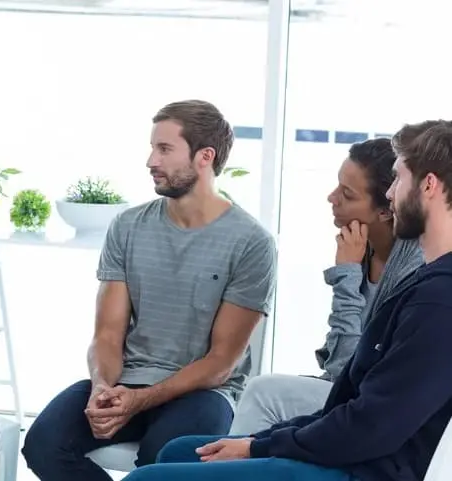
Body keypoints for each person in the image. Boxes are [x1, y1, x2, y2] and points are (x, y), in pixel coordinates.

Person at [119, 120, 452, 481]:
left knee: (146, 479)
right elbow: (348, 399)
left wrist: (257, 447)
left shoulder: (438, 301)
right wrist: (260, 440)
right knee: (178, 452)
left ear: (429, 185)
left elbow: (371, 426)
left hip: (366, 471)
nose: (391, 193)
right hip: (352, 451)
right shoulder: (424, 285)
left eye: (399, 179)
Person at [22, 99, 278, 480]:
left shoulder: (251, 242)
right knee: (43, 442)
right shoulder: (127, 227)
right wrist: (103, 388)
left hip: (203, 394)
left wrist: (141, 400)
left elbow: (221, 362)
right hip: (127, 380)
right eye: (152, 148)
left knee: (164, 458)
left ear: (204, 157)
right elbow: (107, 335)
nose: (150, 161)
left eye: (164, 149)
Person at [230, 138, 422, 435]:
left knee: (262, 392)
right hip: (343, 393)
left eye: (347, 194)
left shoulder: (412, 267)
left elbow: (346, 369)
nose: (331, 198)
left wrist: (345, 276)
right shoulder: (360, 250)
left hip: (370, 409)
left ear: (385, 209)